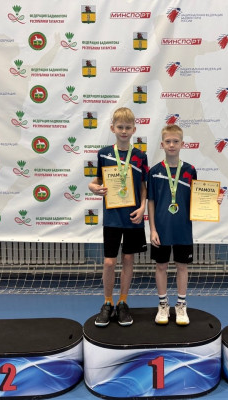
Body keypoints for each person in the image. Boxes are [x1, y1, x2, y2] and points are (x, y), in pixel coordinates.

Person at [147, 124, 224, 325]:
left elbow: (197, 199)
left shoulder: (190, 170)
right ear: (162, 144)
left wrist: (213, 201)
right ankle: (163, 305)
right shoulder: (154, 172)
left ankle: (181, 305)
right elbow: (151, 202)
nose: (172, 145)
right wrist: (152, 229)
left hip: (182, 229)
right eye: (168, 141)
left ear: (182, 144)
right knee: (161, 266)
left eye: (176, 141)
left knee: (182, 266)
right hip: (161, 229)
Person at [88, 107, 148, 327]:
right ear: (112, 128)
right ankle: (107, 303)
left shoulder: (140, 156)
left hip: (132, 217)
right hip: (112, 217)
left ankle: (123, 302)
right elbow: (96, 181)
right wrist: (93, 188)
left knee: (128, 260)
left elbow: (143, 186)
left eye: (127, 127)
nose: (124, 131)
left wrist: (142, 208)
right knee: (109, 262)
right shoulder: (104, 153)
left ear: (134, 130)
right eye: (120, 127)